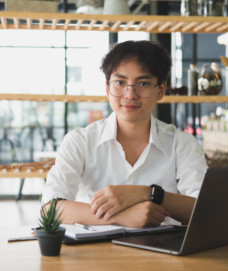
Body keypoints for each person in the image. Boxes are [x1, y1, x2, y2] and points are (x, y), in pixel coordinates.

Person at [42, 40, 208, 228]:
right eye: (120, 82)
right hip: (94, 252)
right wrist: (120, 217)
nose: (130, 94)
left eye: (143, 83)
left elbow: (205, 210)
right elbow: (51, 208)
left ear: (161, 90)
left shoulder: (182, 143)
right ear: (107, 88)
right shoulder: (80, 141)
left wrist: (148, 193)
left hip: (165, 252)